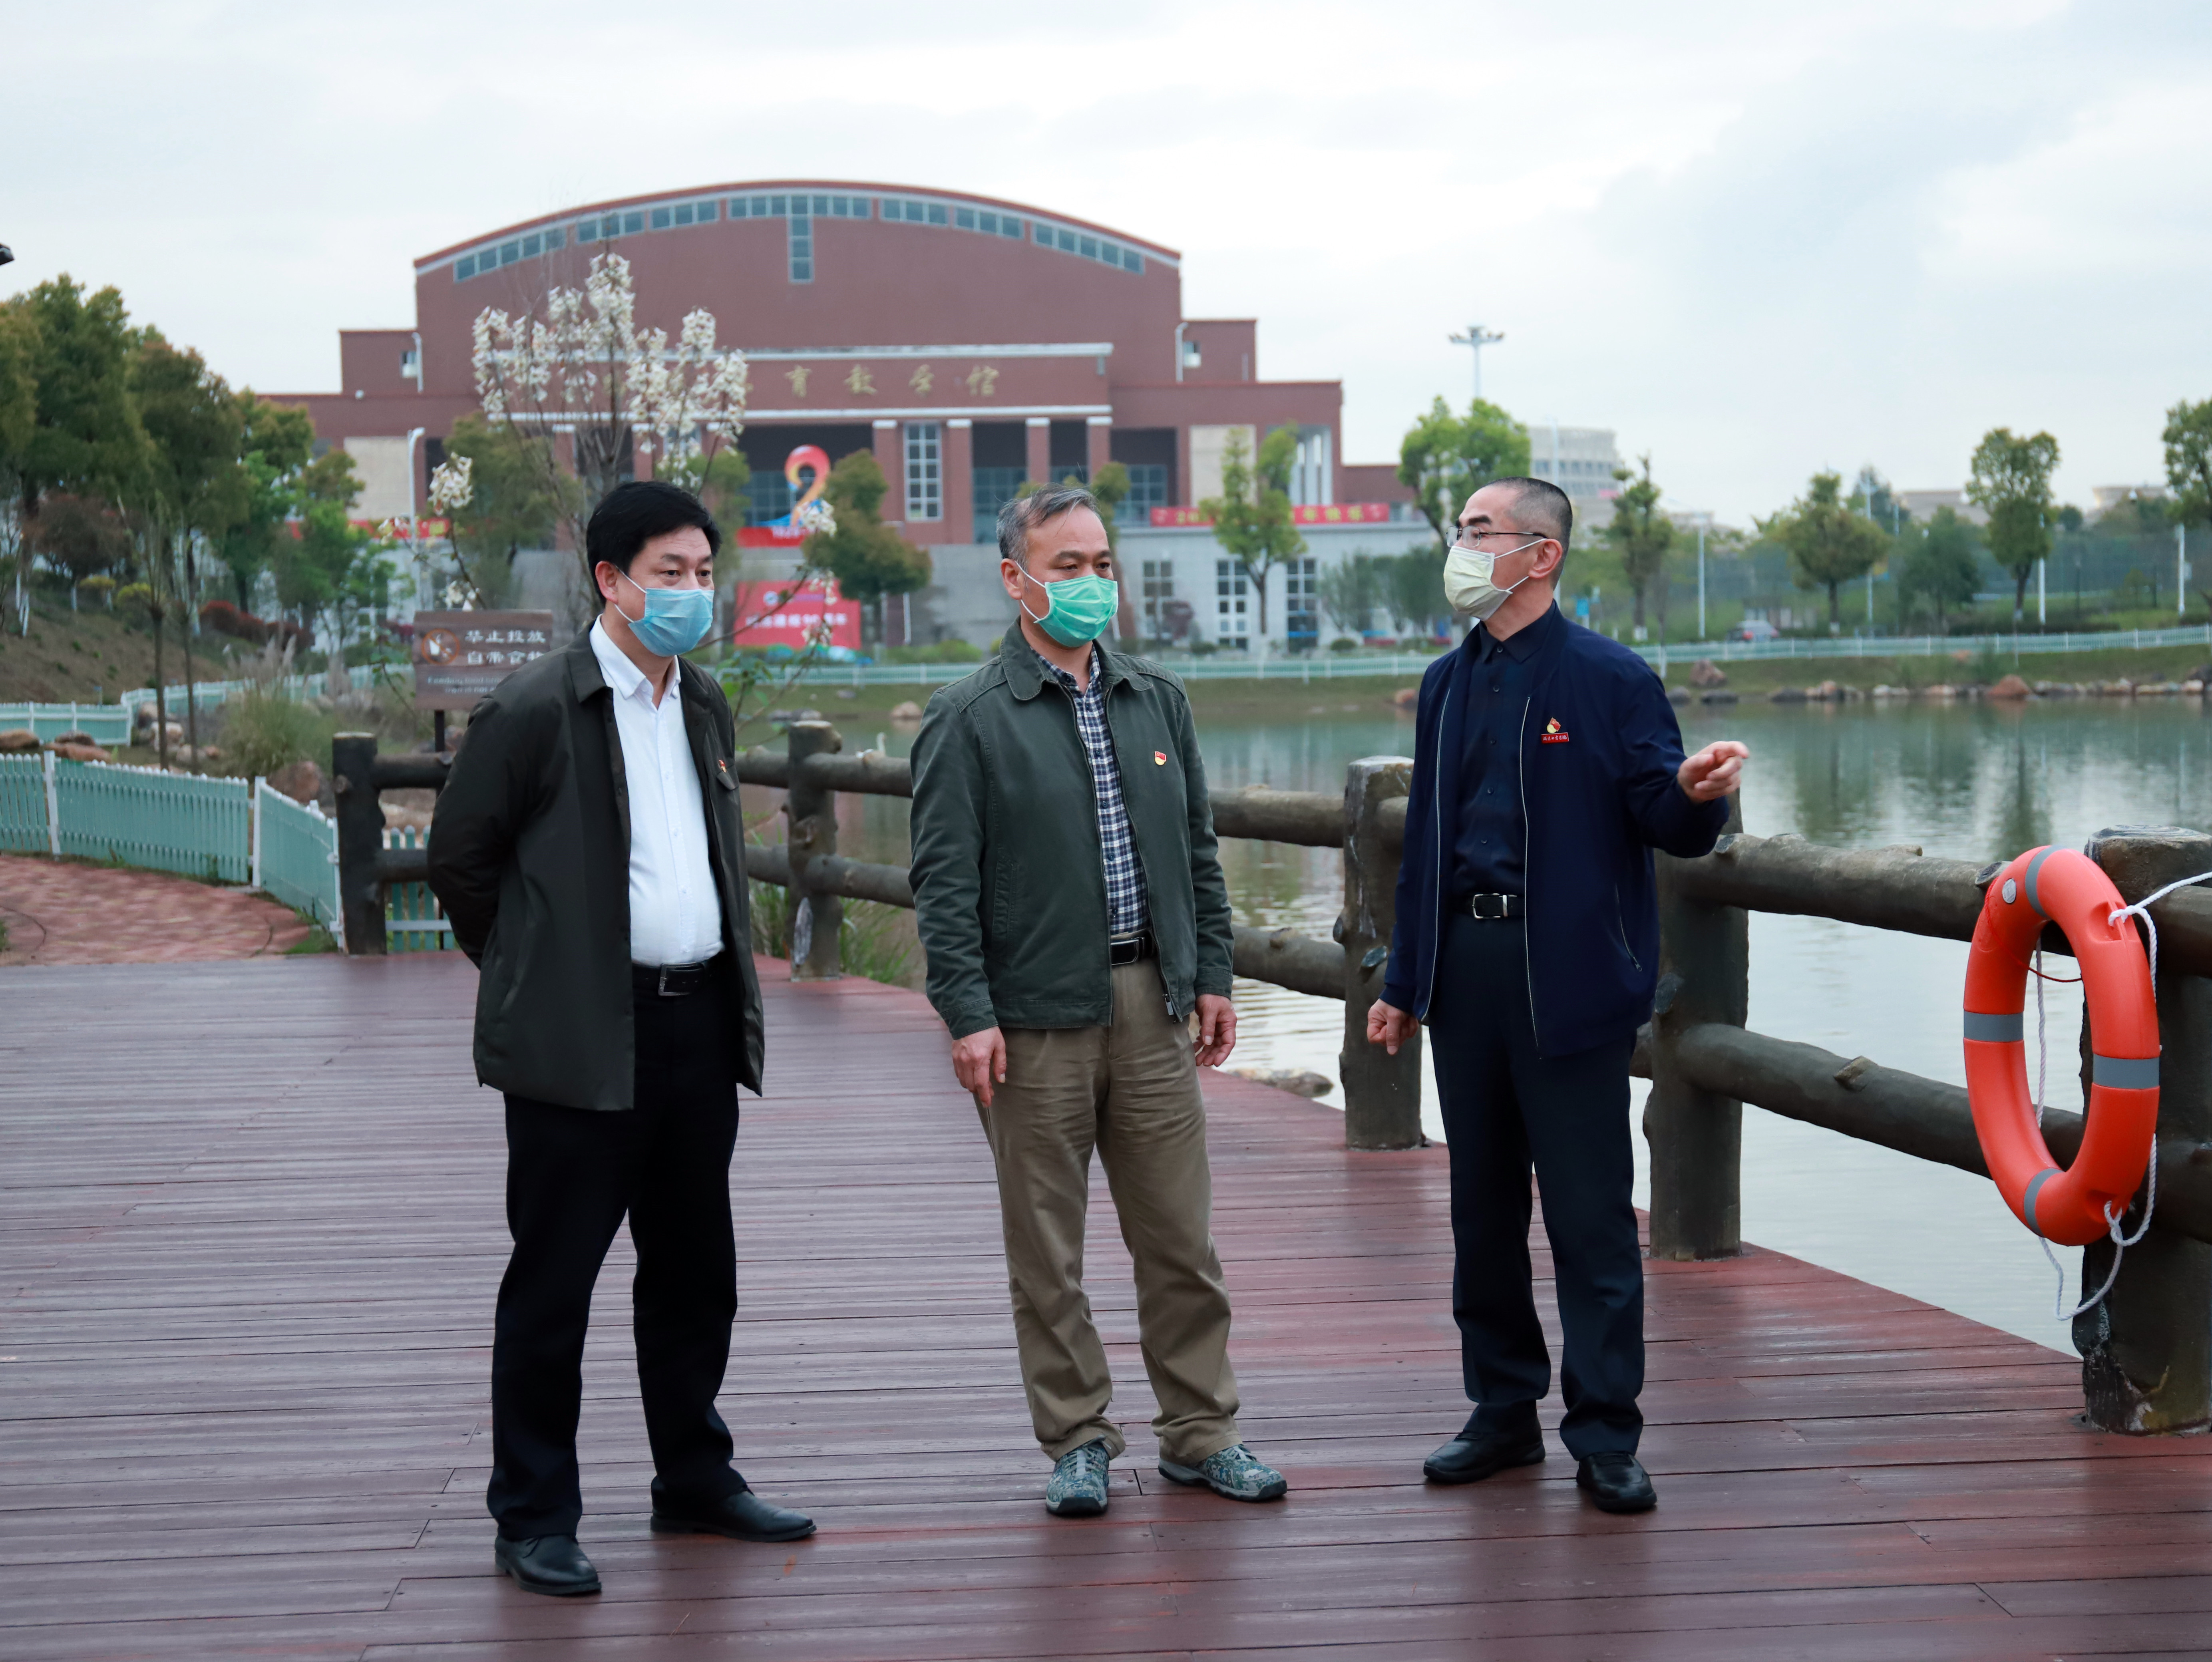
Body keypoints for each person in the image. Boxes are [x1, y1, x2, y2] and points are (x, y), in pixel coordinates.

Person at [428, 480, 815, 1598]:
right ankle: (533, 1514)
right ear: (611, 580)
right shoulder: (534, 709)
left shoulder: (703, 703)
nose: (694, 592)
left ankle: (693, 1478)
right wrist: (535, 973)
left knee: (696, 1273)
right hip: (581, 1042)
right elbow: (460, 861)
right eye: (670, 573)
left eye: (705, 573)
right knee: (555, 1283)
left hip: (697, 1026)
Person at [1365, 476, 1746, 1515]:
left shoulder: (1610, 678)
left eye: (1480, 531)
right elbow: (1425, 847)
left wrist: (1697, 795)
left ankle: (1606, 1433)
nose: (1462, 546)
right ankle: (1502, 1411)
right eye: (1461, 530)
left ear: (1543, 555)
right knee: (1482, 1211)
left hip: (1569, 978)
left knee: (1589, 1216)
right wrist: (1404, 981)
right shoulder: (1446, 683)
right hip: (1467, 974)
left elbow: (1664, 813)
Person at [907, 486, 1287, 1519]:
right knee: (1048, 1253)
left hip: (1153, 1007)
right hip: (1033, 1019)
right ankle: (1077, 1438)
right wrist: (968, 1012)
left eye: (1102, 564)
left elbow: (1198, 854)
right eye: (1066, 565)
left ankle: (1202, 1432)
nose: (1091, 583)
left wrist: (1213, 976)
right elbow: (943, 884)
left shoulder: (1157, 699)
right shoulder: (969, 717)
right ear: (1016, 578)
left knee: (1180, 1240)